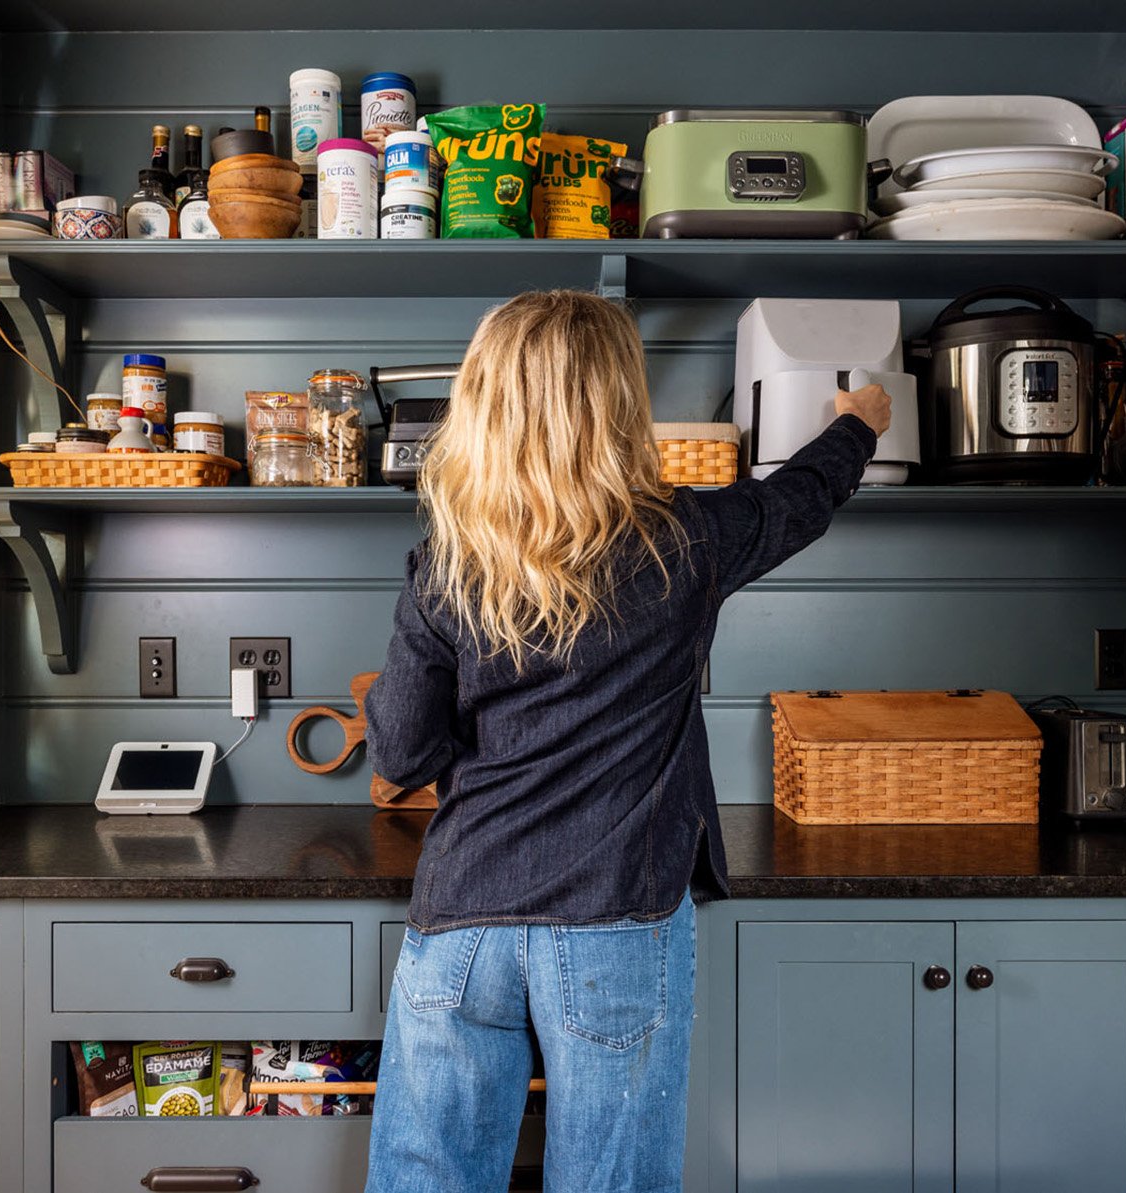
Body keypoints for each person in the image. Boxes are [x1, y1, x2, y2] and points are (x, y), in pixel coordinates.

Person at [363, 290, 890, 1192]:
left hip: (461, 926)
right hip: (615, 921)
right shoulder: (687, 542)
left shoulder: (447, 564)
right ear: (618, 404)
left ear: (485, 402)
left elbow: (400, 758)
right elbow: (799, 499)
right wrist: (859, 423)